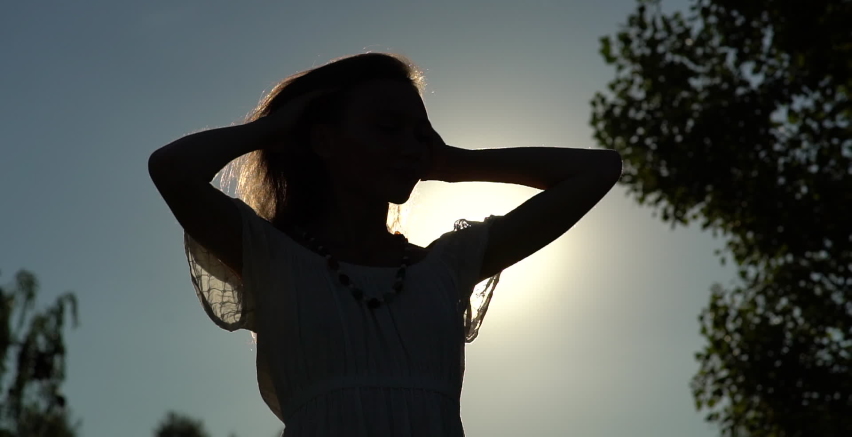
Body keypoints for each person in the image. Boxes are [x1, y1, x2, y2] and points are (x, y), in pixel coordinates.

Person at [148, 52, 622, 436]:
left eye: (420, 132)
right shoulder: (271, 256)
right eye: (387, 127)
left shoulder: (447, 266)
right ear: (323, 141)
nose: (412, 145)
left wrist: (455, 163)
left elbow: (598, 170)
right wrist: (273, 130)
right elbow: (172, 169)